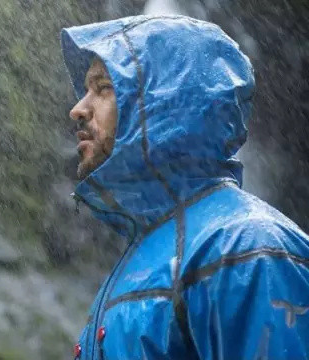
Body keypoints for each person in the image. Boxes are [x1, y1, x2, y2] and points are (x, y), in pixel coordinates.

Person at [61, 15, 309, 360]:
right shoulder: (141, 258)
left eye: (104, 88)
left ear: (163, 104)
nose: (77, 109)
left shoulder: (247, 247)